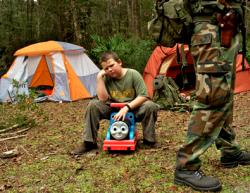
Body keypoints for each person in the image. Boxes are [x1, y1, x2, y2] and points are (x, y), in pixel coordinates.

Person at [174, 0, 250, 192]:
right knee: (213, 97)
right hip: (210, 26)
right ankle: (186, 164)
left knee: (224, 94)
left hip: (227, 26)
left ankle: (229, 151)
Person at [72, 51, 159, 155]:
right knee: (93, 105)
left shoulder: (133, 74)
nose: (109, 69)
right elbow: (103, 99)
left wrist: (127, 107)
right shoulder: (106, 78)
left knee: (150, 106)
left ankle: (149, 141)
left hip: (133, 109)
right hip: (114, 110)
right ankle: (89, 142)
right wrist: (99, 78)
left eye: (111, 65)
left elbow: (144, 95)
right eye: (106, 69)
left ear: (119, 62)